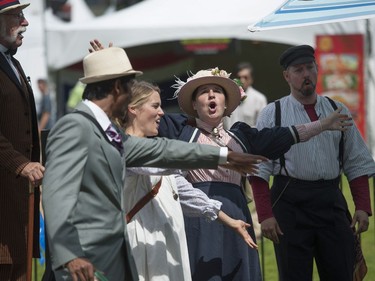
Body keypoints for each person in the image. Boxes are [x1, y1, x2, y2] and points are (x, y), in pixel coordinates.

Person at [41, 47, 267, 281]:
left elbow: (161, 151)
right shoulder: (74, 127)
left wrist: (224, 156)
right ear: (118, 88)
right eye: (130, 86)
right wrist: (69, 254)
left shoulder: (111, 134)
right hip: (87, 257)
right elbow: (56, 194)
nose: (161, 112)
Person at [157, 66, 352, 281]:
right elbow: (141, 115)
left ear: (226, 103)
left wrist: (323, 125)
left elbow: (283, 135)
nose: (211, 95)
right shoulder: (180, 130)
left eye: (217, 91)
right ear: (194, 104)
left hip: (237, 213)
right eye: (203, 91)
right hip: (198, 217)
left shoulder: (241, 136)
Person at [251, 45, 375, 281]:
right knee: (295, 275)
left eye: (310, 68)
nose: (305, 74)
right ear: (287, 76)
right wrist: (265, 214)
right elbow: (259, 167)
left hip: (330, 200)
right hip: (289, 204)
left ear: (318, 70)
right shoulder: (272, 114)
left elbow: (356, 160)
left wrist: (362, 206)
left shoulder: (338, 110)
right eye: (298, 70)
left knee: (341, 272)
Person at [121, 80, 257, 281]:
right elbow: (164, 161)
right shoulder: (124, 147)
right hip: (141, 241)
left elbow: (186, 192)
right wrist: (222, 157)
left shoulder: (156, 152)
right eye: (155, 106)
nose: (162, 113)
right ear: (133, 109)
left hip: (163, 243)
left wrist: (230, 221)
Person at [0, 1, 45, 281]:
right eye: (17, 15)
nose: (25, 22)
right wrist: (20, 164)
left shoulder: (12, 62)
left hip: (17, 204)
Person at [223, 62, 267, 129]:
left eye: (246, 77)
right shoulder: (226, 97)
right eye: (239, 77)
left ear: (251, 79)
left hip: (250, 138)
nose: (242, 80)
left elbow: (262, 125)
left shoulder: (259, 99)